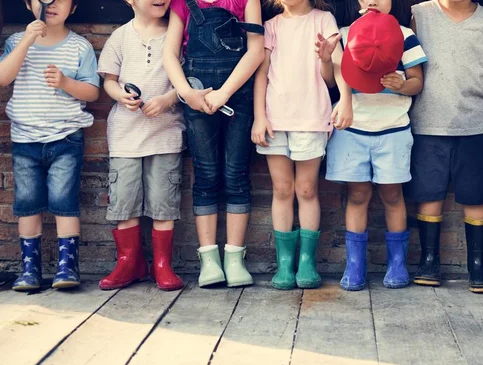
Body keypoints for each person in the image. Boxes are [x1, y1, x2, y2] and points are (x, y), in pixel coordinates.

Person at [320, 0, 426, 291]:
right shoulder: (344, 33)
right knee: (357, 195)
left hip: (393, 128)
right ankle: (355, 266)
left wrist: (401, 84)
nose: (372, 1)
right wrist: (326, 60)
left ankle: (397, 264)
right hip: (352, 128)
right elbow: (331, 81)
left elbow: (418, 81)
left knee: (393, 194)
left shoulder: (404, 34)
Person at [0, 0, 99, 291]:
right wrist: (28, 39)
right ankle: (29, 268)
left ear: (74, 8)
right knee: (27, 204)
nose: (51, 3)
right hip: (25, 140)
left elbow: (92, 92)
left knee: (65, 203)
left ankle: (67, 267)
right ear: (29, 5)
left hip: (66, 139)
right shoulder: (17, 41)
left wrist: (66, 82)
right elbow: (2, 77)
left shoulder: (79, 46)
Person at [163, 0, 264, 288]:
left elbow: (255, 51)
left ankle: (235, 259)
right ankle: (209, 260)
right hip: (197, 97)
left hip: (238, 97)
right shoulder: (183, 3)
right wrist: (186, 93)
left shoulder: (247, 1)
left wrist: (224, 94)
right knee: (206, 175)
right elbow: (170, 55)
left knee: (236, 175)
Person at [251, 0, 350, 290]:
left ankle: (307, 261)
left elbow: (333, 74)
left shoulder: (323, 20)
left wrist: (326, 62)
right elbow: (261, 74)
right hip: (275, 119)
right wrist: (259, 116)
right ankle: (285, 264)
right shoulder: (271, 26)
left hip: (311, 118)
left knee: (306, 189)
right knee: (282, 189)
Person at [409, 0, 483, 293]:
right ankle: (429, 261)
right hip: (428, 119)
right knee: (428, 192)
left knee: (476, 195)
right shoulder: (419, 14)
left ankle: (478, 266)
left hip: (473, 121)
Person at [98, 0, 185, 291]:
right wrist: (119, 95)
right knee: (125, 202)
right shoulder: (120, 37)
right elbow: (109, 80)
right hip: (125, 137)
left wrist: (167, 99)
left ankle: (162, 265)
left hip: (166, 134)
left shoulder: (177, 34)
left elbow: (186, 82)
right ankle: (129, 263)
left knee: (164, 203)